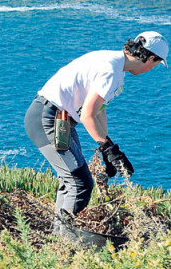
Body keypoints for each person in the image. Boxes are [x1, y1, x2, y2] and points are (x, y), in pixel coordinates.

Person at [24, 31, 168, 226]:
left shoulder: (114, 65)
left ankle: (58, 237)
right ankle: (62, 240)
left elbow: (99, 111)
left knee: (73, 180)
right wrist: (109, 150)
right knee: (79, 183)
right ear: (150, 58)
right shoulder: (110, 70)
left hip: (58, 119)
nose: (152, 69)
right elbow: (87, 115)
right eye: (156, 64)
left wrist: (107, 147)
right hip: (48, 117)